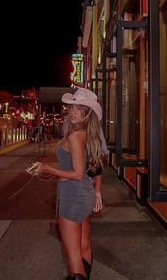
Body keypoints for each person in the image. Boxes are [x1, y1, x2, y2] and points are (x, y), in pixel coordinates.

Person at [30, 88, 104, 279]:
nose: (73, 112)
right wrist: (96, 192)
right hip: (85, 194)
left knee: (74, 261)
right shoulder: (89, 133)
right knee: (84, 246)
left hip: (73, 198)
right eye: (72, 107)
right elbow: (91, 167)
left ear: (88, 113)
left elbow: (77, 173)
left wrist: (47, 168)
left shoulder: (74, 135)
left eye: (79, 108)